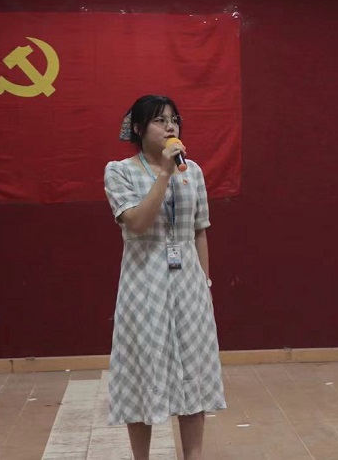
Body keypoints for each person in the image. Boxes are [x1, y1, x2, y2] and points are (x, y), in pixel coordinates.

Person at [104, 95, 226, 460]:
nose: (170, 126)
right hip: (145, 281)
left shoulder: (194, 172)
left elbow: (199, 230)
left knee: (194, 371)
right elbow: (138, 224)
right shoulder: (119, 172)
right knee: (142, 370)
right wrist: (164, 174)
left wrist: (205, 284)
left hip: (188, 281)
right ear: (139, 129)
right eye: (160, 120)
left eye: (174, 119)